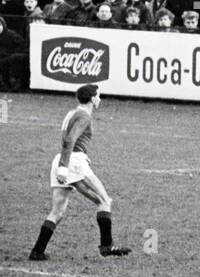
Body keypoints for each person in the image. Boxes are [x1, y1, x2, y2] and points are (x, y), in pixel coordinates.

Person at [28, 84, 132, 260]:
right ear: (92, 99)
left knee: (57, 212)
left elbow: (66, 139)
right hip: (73, 162)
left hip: (62, 159)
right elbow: (70, 139)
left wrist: (62, 164)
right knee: (104, 200)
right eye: (98, 96)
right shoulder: (84, 116)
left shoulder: (72, 113)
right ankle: (107, 246)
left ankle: (37, 251)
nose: (100, 99)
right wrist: (64, 166)